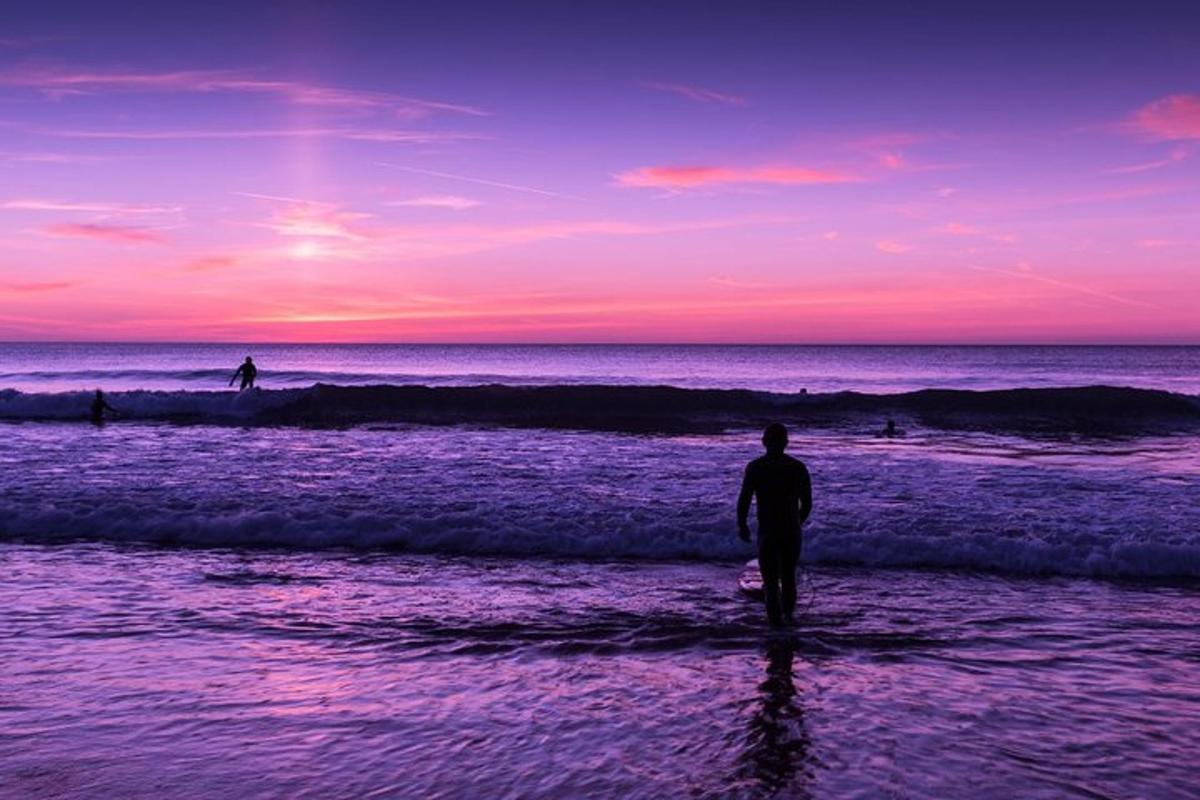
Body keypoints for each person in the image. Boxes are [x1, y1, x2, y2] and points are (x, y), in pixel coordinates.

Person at [738, 423, 813, 627]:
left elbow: (744, 499)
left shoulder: (756, 467)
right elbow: (807, 504)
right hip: (790, 529)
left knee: (770, 583)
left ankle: (774, 626)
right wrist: (797, 522)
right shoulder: (797, 467)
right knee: (788, 578)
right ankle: (788, 620)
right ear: (786, 443)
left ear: (764, 442)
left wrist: (742, 524)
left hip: (768, 531)